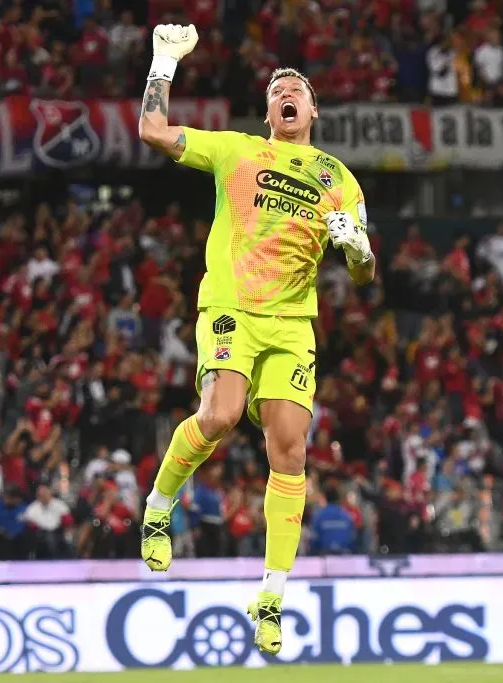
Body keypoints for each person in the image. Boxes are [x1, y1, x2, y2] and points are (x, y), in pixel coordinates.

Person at [137, 24, 375, 655]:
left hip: (293, 323)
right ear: (270, 112)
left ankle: (271, 594)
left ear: (313, 110)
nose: (287, 92)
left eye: (297, 88)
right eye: (277, 90)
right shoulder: (237, 150)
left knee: (291, 451)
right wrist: (163, 63)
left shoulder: (339, 179)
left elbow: (363, 270)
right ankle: (160, 506)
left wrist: (358, 250)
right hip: (233, 307)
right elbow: (154, 133)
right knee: (218, 414)